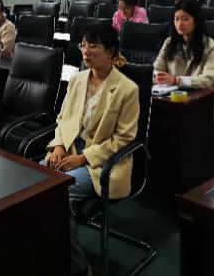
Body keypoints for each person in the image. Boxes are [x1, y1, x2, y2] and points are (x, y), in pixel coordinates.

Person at [43, 22, 139, 276]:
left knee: (56, 194)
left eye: (94, 45)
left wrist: (83, 158)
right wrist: (59, 146)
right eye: (83, 44)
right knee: (32, 184)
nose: (86, 50)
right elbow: (63, 119)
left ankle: (78, 268)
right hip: (70, 151)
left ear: (110, 52)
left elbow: (124, 139)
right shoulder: (77, 80)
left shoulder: (127, 89)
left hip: (104, 163)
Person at [153, 0, 214, 123]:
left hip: (205, 101)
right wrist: (158, 76)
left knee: (186, 124)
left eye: (185, 19)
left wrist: (176, 80)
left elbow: (209, 81)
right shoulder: (169, 43)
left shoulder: (211, 46)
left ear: (196, 21)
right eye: (176, 19)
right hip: (175, 99)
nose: (179, 23)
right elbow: (157, 68)